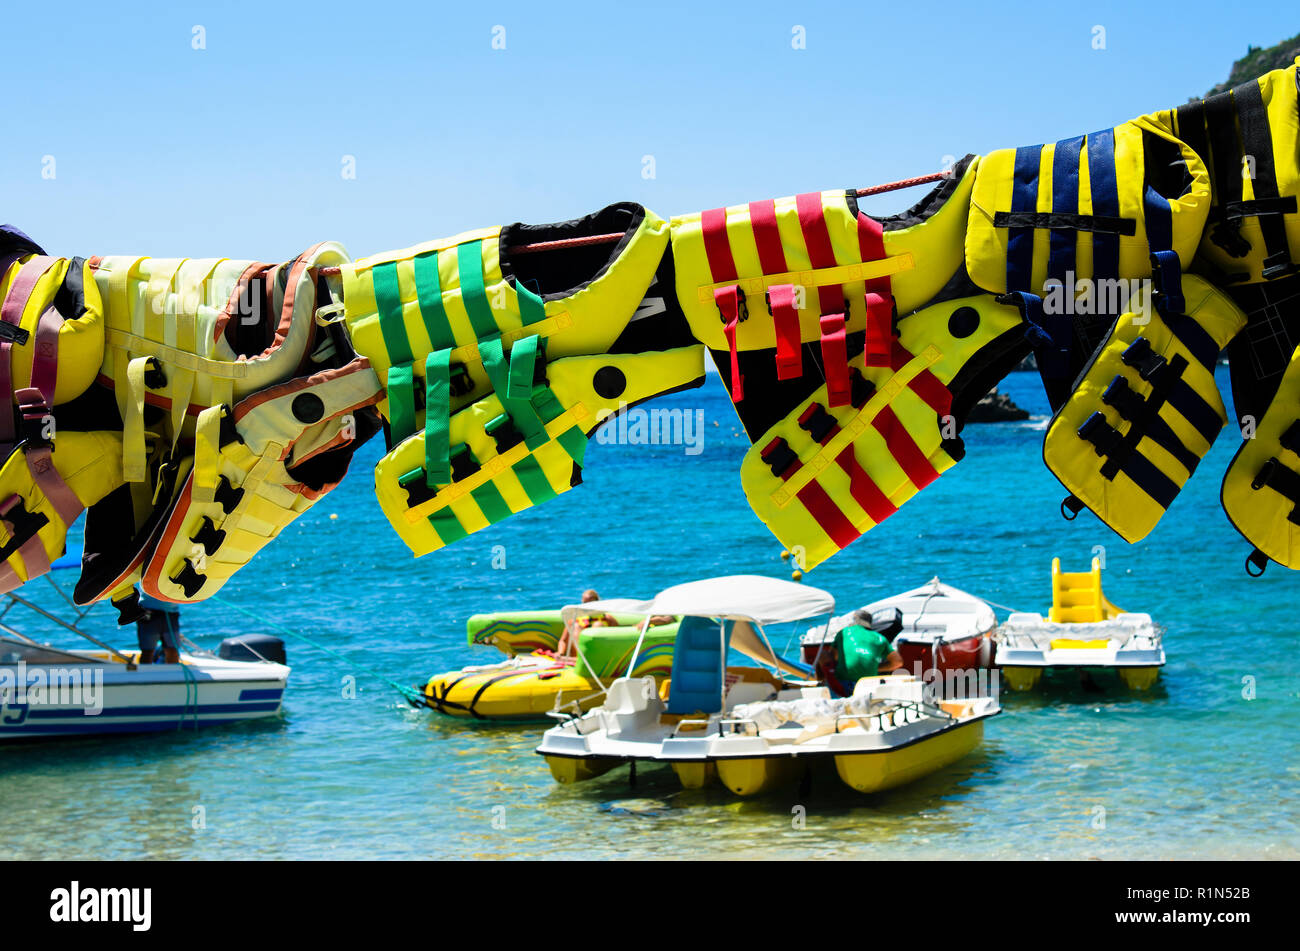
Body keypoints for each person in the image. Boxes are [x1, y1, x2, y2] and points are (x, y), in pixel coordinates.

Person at [817, 609, 903, 696]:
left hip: (843, 687)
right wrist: (876, 667)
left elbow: (833, 657)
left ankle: (821, 684)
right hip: (868, 687)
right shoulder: (879, 638)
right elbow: (898, 662)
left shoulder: (844, 632)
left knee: (823, 654)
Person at [136, 592, 181, 664]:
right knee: (147, 651)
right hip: (148, 611)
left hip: (171, 612)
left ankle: (172, 675)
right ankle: (145, 674)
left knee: (173, 650)